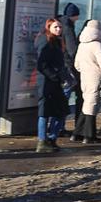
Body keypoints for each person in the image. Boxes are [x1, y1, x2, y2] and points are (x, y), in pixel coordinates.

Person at [35, 17, 71, 153]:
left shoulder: (57, 41)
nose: (58, 29)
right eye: (55, 27)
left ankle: (52, 138)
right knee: (44, 112)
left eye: (60, 27)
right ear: (48, 27)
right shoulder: (45, 40)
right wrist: (54, 76)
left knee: (61, 110)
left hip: (55, 82)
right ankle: (42, 141)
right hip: (46, 82)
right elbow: (41, 64)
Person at [73, 19, 101, 143]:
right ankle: (89, 136)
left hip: (84, 76)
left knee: (87, 103)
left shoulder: (82, 44)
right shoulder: (97, 44)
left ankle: (77, 133)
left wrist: (84, 69)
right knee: (92, 104)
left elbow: (76, 64)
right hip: (95, 77)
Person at [60, 2, 83, 124]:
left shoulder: (61, 24)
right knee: (65, 96)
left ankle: (58, 126)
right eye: (77, 16)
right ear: (72, 15)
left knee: (63, 96)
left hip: (62, 65)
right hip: (68, 66)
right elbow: (72, 49)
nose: (77, 19)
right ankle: (59, 127)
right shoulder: (68, 27)